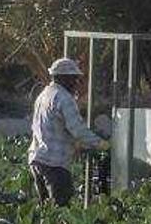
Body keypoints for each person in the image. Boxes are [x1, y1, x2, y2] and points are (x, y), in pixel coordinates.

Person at [28, 58, 109, 206]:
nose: (76, 83)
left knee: (47, 211)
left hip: (38, 159)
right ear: (64, 78)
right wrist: (101, 143)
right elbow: (78, 130)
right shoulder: (64, 98)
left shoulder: (44, 95)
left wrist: (76, 145)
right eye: (74, 79)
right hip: (54, 164)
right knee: (61, 210)